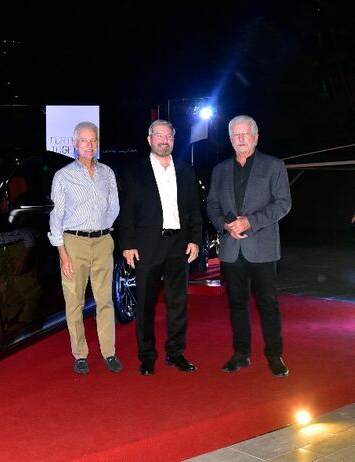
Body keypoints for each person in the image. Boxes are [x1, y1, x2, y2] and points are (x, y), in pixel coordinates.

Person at [206, 115, 292, 377]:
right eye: (235, 135)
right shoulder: (219, 170)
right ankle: (241, 354)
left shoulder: (273, 165)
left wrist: (249, 222)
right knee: (237, 304)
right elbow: (211, 205)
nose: (240, 139)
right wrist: (225, 224)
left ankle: (274, 354)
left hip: (262, 247)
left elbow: (283, 203)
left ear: (256, 136)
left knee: (268, 303)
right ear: (230, 139)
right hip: (232, 249)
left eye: (245, 134)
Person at [118, 119, 202, 376]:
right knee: (145, 303)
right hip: (146, 246)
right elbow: (127, 212)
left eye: (169, 136)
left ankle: (175, 353)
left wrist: (195, 239)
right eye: (158, 136)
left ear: (173, 141)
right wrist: (128, 244)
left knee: (178, 304)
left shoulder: (185, 170)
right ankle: (147, 356)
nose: (164, 140)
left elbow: (194, 210)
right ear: (149, 139)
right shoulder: (134, 172)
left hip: (179, 245)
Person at [48, 121, 121, 375]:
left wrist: (102, 230)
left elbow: (114, 208)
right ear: (75, 144)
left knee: (105, 301)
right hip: (73, 243)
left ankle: (108, 352)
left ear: (97, 143)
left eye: (93, 140)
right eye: (84, 141)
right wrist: (63, 252)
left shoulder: (107, 173)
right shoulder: (63, 176)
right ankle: (80, 354)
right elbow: (55, 217)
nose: (89, 145)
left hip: (103, 241)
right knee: (74, 303)